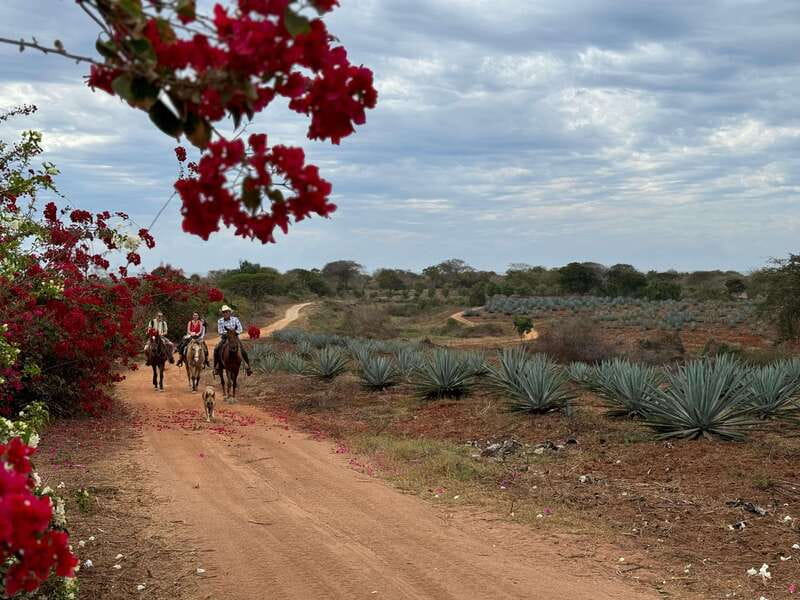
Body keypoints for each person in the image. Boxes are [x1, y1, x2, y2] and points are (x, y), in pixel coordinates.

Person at [213, 305, 252, 376]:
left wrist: (234, 333)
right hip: (225, 338)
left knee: (243, 350)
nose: (225, 313)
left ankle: (248, 367)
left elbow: (240, 328)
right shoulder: (220, 321)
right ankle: (216, 367)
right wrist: (228, 333)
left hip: (235, 337)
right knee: (217, 349)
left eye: (226, 312)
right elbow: (220, 331)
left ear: (229, 312)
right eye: (223, 312)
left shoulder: (235, 319)